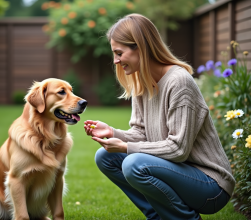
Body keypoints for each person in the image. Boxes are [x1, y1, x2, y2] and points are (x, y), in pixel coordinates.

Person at [84, 14, 235, 220]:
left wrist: (126, 147)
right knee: (106, 157)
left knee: (133, 164)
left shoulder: (179, 82)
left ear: (141, 47)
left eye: (119, 53)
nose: (116, 61)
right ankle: (156, 216)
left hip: (211, 185)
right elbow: (141, 133)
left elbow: (178, 149)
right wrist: (113, 132)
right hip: (177, 171)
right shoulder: (142, 82)